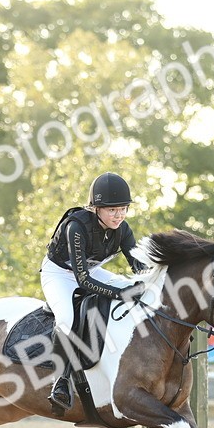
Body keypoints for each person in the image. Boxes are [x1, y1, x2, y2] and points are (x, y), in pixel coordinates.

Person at [41, 171, 147, 409]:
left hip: (92, 269)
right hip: (59, 273)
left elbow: (138, 268)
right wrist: (121, 295)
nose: (118, 215)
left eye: (123, 208)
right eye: (112, 210)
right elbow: (83, 281)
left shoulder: (124, 229)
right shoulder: (76, 226)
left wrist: (149, 283)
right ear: (96, 209)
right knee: (67, 318)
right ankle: (60, 381)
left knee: (133, 286)